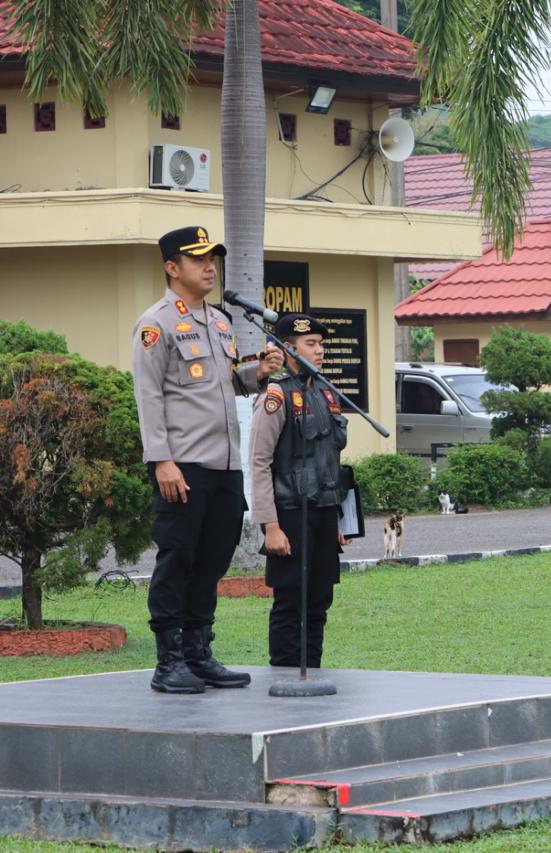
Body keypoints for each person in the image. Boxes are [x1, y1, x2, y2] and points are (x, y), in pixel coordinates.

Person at [132, 225, 283, 694]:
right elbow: (149, 395)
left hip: (224, 466)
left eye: (212, 258)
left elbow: (228, 384)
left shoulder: (218, 321)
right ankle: (168, 661)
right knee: (178, 558)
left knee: (212, 561)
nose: (210, 267)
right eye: (198, 260)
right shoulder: (155, 323)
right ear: (171, 267)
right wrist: (162, 461)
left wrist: (258, 372)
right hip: (183, 464)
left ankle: (198, 653)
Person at [248, 313, 349, 667]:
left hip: (323, 512)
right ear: (288, 348)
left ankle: (314, 670)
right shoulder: (276, 396)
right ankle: (285, 675)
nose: (320, 351)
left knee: (320, 599)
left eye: (322, 344)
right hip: (290, 514)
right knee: (291, 600)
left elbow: (331, 461)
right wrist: (270, 526)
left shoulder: (325, 393)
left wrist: (340, 520)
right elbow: (259, 463)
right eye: (311, 344)